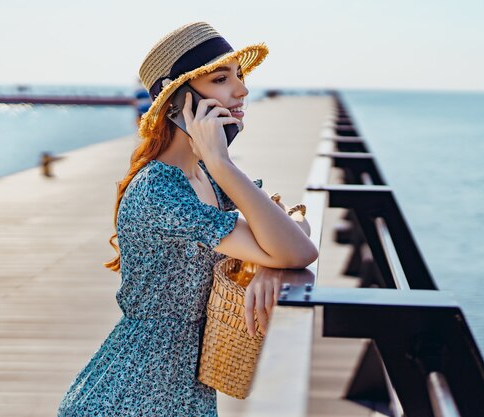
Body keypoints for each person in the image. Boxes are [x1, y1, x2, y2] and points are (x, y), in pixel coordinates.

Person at [57, 22, 317, 416]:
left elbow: (293, 229)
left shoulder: (206, 175)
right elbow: (295, 249)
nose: (242, 90)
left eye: (240, 76)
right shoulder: (160, 190)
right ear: (179, 102)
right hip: (133, 396)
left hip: (180, 389)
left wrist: (268, 265)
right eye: (220, 78)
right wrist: (224, 163)